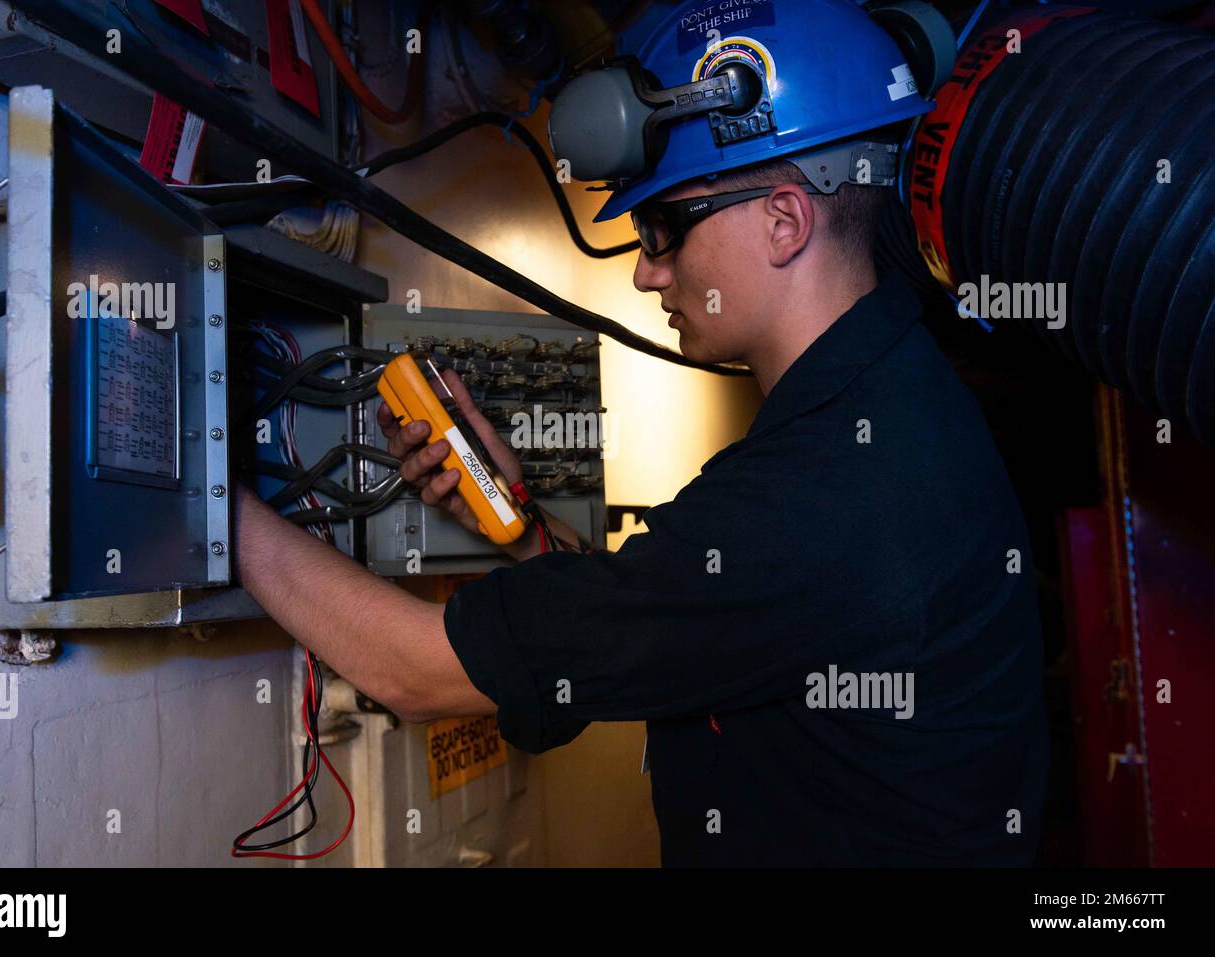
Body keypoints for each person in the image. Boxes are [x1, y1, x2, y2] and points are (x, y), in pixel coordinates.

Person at [235, 0, 1048, 866]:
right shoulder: (881, 415)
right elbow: (665, 614)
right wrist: (508, 513)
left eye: (665, 228)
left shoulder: (824, 497)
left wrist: (213, 499)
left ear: (784, 220)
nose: (646, 269)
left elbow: (414, 670)